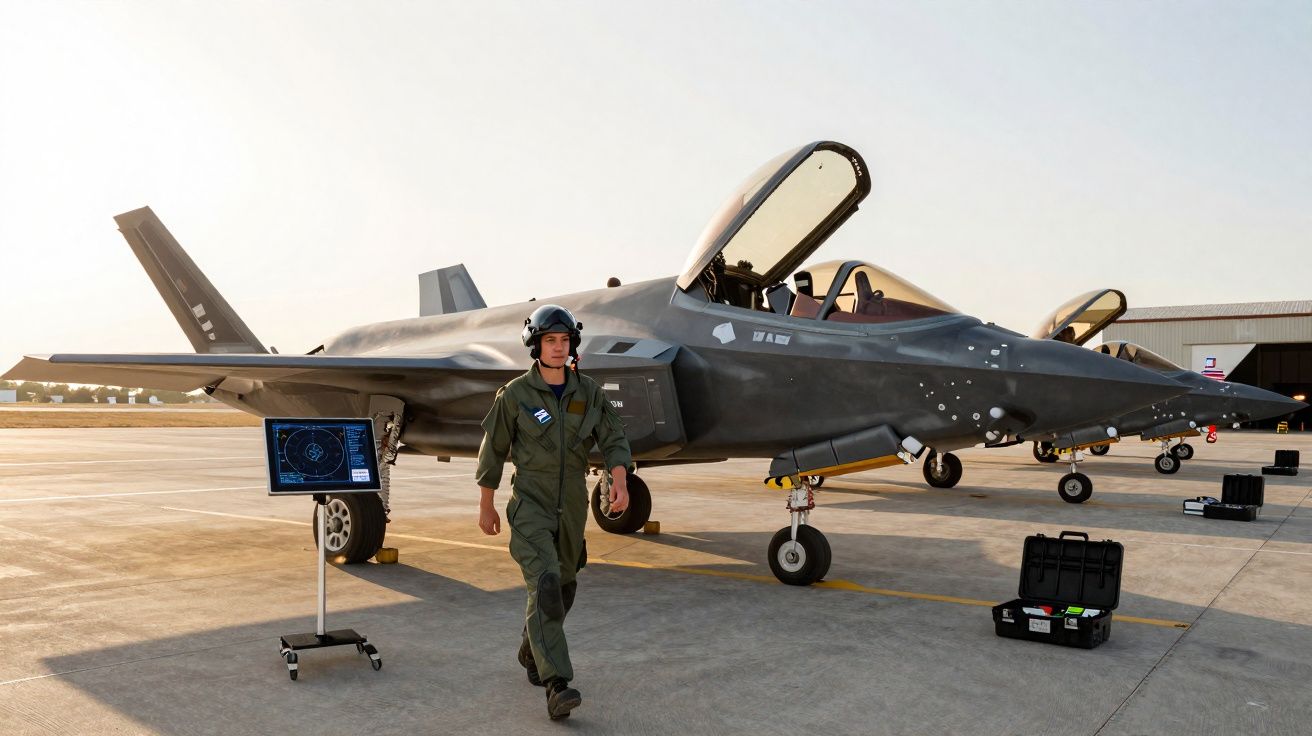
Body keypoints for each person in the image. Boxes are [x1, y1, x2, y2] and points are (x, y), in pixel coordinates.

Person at [475, 304, 632, 721]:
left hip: (573, 503)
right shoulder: (515, 395)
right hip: (531, 501)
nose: (558, 348)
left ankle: (532, 647)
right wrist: (486, 503)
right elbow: (493, 450)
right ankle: (557, 685)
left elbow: (613, 435)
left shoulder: (588, 392)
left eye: (564, 340)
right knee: (545, 584)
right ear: (536, 345)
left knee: (563, 588)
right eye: (550, 341)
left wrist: (619, 478)